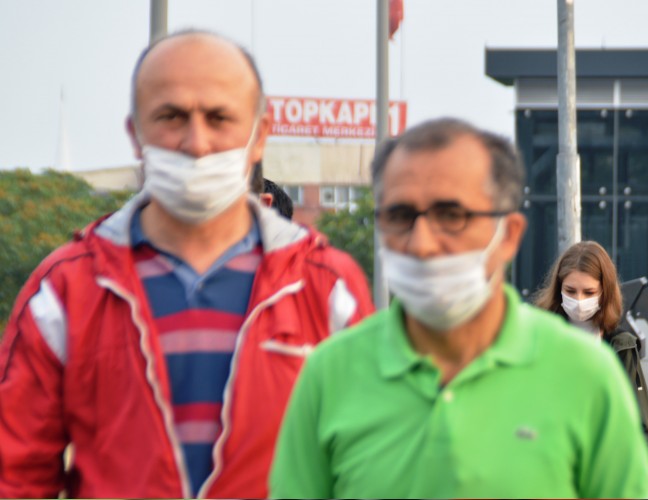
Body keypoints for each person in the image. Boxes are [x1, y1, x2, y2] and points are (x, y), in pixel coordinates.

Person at [0, 31, 374, 498]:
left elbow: (369, 467)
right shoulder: (65, 290)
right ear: (135, 134)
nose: (196, 143)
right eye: (171, 117)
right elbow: (14, 475)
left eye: (219, 118)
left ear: (259, 135)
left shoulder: (325, 286)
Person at [269, 118, 648, 498]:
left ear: (509, 236)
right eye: (400, 216)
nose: (422, 243)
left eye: (451, 216)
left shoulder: (588, 374)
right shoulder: (329, 374)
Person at [533, 240, 648, 498]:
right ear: (558, 288)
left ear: (604, 292)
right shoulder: (539, 336)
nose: (578, 300)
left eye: (588, 292)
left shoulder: (621, 344)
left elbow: (637, 420)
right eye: (570, 290)